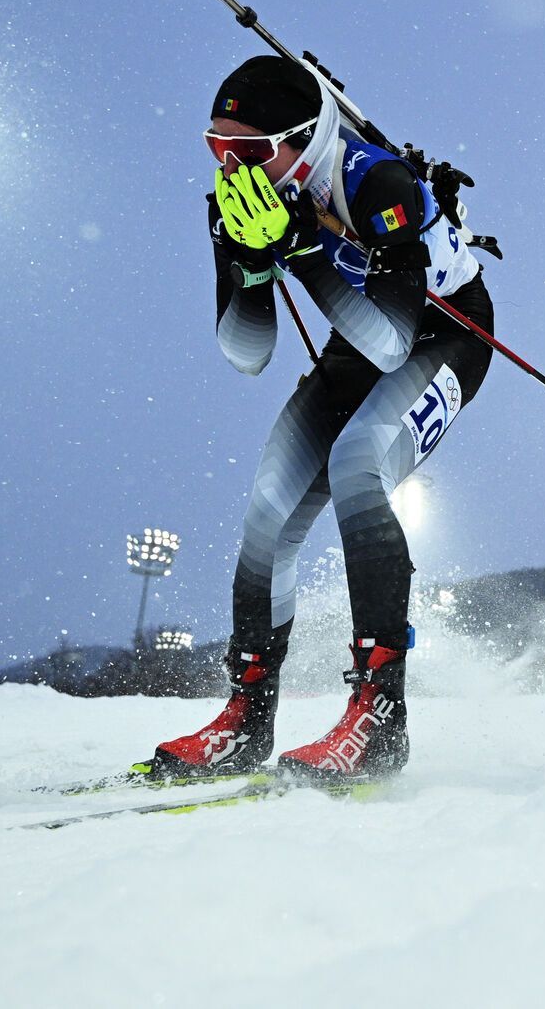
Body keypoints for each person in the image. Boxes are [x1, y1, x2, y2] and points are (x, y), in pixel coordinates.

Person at [145, 54, 493, 783]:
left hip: (445, 332)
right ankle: (246, 713)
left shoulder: (378, 185)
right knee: (271, 501)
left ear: (303, 139)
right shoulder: (239, 201)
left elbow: (396, 343)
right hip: (357, 330)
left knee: (358, 463)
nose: (232, 168)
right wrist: (247, 263)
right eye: (217, 148)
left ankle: (380, 716)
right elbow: (247, 351)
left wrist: (303, 253)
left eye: (248, 151)